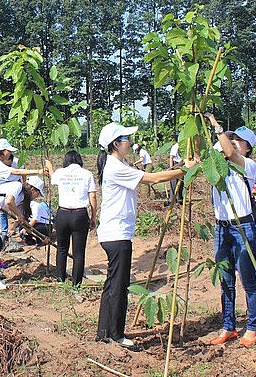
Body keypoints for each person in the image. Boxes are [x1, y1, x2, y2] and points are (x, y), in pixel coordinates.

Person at [95, 122, 196, 348]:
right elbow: (154, 179)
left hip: (114, 232)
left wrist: (181, 164)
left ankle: (104, 332)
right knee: (119, 287)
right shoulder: (115, 167)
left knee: (112, 284)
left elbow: (151, 174)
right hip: (117, 234)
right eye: (126, 139)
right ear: (115, 144)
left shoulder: (119, 163)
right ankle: (116, 335)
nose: (130, 143)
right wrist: (184, 170)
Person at [205, 114, 256, 348]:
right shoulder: (218, 167)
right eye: (232, 138)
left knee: (248, 279)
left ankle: (253, 327)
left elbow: (230, 153)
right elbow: (210, 154)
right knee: (226, 281)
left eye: (238, 140)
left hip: (243, 227)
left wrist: (217, 125)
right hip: (222, 229)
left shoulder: (247, 166)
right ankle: (228, 326)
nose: (233, 142)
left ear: (247, 148)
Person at [48, 150, 97, 287]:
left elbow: (52, 178)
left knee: (61, 249)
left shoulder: (61, 172)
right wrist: (93, 216)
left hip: (62, 214)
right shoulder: (87, 174)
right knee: (79, 252)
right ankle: (76, 283)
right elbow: (92, 196)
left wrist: (49, 166)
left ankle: (60, 280)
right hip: (79, 215)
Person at [22, 176, 51, 246]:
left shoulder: (36, 205)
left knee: (34, 228)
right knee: (24, 227)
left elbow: (35, 219)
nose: (38, 196)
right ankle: (29, 240)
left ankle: (40, 240)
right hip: (36, 224)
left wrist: (26, 229)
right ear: (32, 189)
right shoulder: (25, 202)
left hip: (44, 225)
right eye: (38, 193)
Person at [168, 139, 184, 204]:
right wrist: (171, 167)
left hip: (183, 164)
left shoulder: (184, 146)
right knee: (174, 183)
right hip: (176, 164)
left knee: (181, 183)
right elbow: (171, 157)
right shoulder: (176, 146)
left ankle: (180, 199)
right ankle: (173, 200)